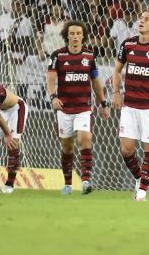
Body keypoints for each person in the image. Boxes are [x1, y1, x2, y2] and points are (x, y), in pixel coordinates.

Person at [112, 10, 149, 201]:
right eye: (141, 18)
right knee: (126, 149)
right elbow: (116, 71)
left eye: (147, 19)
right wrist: (115, 93)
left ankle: (142, 191)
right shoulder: (127, 44)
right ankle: (140, 178)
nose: (142, 20)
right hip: (129, 106)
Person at [47, 21, 110, 196]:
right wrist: (53, 97)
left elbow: (96, 81)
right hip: (64, 108)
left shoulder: (90, 56)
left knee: (84, 139)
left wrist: (103, 103)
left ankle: (86, 181)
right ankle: (67, 184)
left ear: (83, 36)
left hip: (83, 107)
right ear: (67, 35)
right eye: (72, 33)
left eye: (78, 33)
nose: (75, 36)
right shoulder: (57, 56)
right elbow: (51, 80)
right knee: (67, 147)